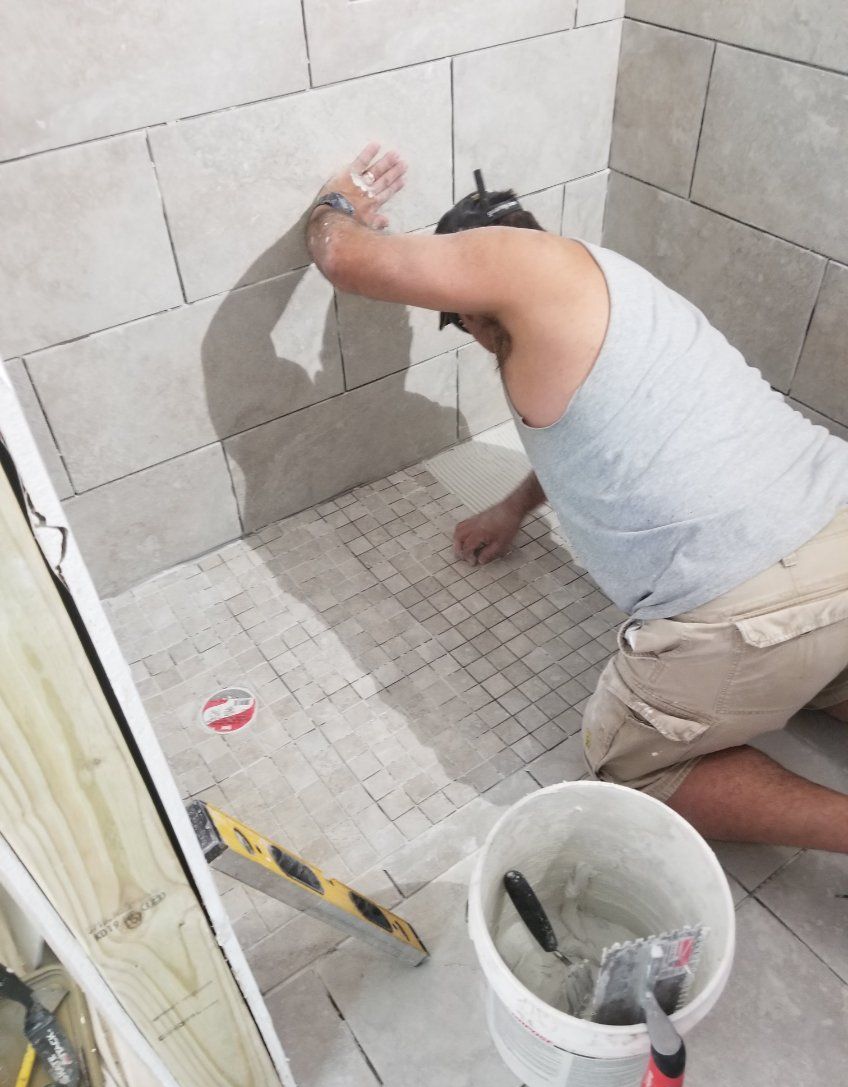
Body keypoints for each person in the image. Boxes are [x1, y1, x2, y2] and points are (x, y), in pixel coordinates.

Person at [307, 144, 848, 853]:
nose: (471, 336)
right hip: (835, 522)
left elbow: (344, 260)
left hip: (749, 589)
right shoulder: (610, 295)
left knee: (629, 768)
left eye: (460, 317)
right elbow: (602, 443)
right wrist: (514, 507)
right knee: (823, 672)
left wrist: (335, 205)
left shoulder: (518, 262)